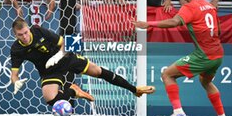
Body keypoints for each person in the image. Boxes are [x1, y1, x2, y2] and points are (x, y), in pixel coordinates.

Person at [133, 0, 229, 116]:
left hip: (204, 55)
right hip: (218, 54)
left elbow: (174, 22)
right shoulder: (210, 6)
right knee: (206, 81)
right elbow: (219, 30)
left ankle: (178, 112)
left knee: (167, 75)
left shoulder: (189, 7)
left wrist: (148, 24)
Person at [10, 18, 155, 106]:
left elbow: (65, 44)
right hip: (49, 71)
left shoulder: (39, 31)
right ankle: (74, 91)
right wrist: (15, 81)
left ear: (29, 29)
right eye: (20, 35)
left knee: (98, 71)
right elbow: (14, 73)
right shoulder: (16, 49)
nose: (24, 37)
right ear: (15, 35)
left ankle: (134, 89)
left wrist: (57, 57)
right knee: (50, 100)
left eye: (25, 33)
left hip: (65, 58)